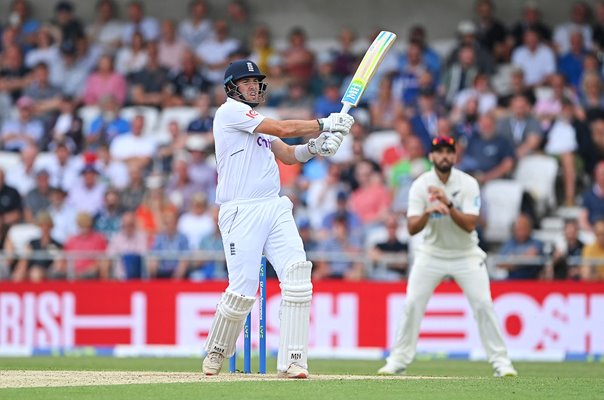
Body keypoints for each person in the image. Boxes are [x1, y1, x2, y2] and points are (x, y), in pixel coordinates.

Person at [201, 59, 352, 378]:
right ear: (231, 87)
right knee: (242, 288)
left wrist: (316, 147)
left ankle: (294, 360)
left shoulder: (256, 122)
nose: (253, 86)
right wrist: (325, 124)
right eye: (246, 82)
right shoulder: (230, 112)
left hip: (274, 206)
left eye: (256, 81)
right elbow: (283, 128)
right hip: (241, 210)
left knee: (297, 277)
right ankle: (216, 349)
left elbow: (287, 153)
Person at [378, 136, 517, 378]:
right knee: (412, 304)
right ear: (431, 157)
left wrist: (449, 205)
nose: (444, 156)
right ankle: (397, 361)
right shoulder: (421, 185)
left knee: (483, 304)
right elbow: (412, 228)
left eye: (448, 152)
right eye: (439, 152)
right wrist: (429, 211)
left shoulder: (468, 183)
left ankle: (502, 363)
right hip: (431, 253)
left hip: (465, 254)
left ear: (454, 156)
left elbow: (471, 225)